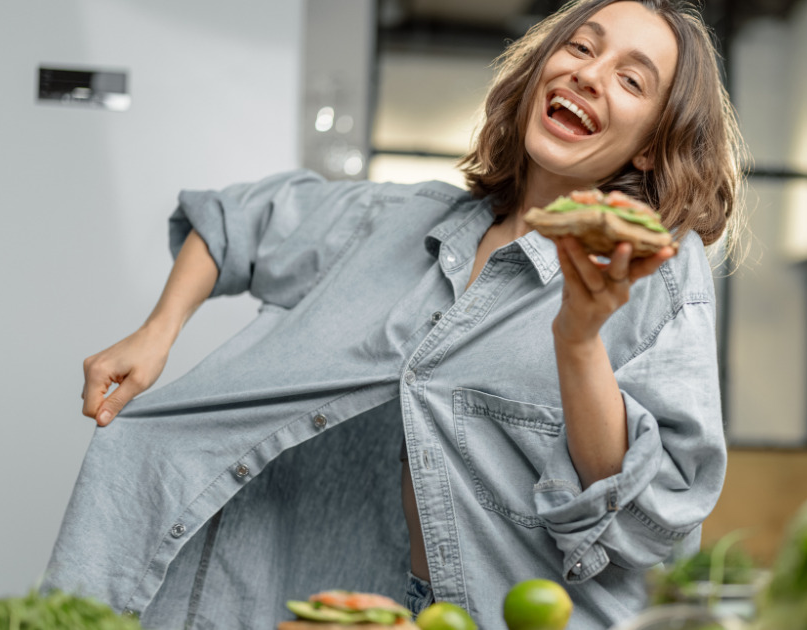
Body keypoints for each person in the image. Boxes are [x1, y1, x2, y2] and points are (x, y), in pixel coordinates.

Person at [44, 0, 742, 628]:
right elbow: (238, 221)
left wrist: (578, 338)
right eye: (581, 48)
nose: (590, 75)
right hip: (355, 607)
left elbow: (647, 512)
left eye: (631, 79)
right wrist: (156, 332)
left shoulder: (652, 270)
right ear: (541, 73)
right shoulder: (401, 220)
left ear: (651, 142)